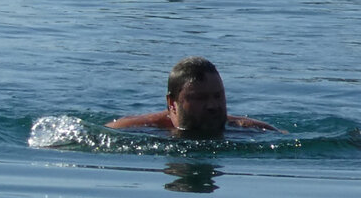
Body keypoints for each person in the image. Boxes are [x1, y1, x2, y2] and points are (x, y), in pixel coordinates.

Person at [108, 56, 276, 138]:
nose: (212, 105)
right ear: (172, 103)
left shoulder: (249, 129)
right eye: (200, 98)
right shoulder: (137, 128)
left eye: (218, 96)